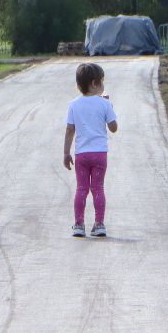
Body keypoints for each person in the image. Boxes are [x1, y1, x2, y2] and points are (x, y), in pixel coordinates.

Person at [63, 62, 117, 237]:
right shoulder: (104, 104)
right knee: (98, 189)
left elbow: (70, 129)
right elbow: (113, 128)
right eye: (102, 82)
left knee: (81, 189)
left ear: (79, 85)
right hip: (100, 154)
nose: (103, 85)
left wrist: (66, 152)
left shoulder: (73, 104)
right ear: (94, 83)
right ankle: (99, 224)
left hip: (81, 155)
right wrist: (110, 108)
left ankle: (79, 225)